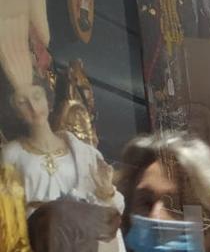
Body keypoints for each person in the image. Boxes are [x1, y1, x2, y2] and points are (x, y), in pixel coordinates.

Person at [2, 78, 122, 216]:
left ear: (48, 100)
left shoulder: (83, 153)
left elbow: (111, 211)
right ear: (16, 112)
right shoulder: (12, 153)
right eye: (22, 102)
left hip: (77, 225)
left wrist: (106, 192)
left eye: (37, 97)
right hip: (35, 226)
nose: (33, 107)